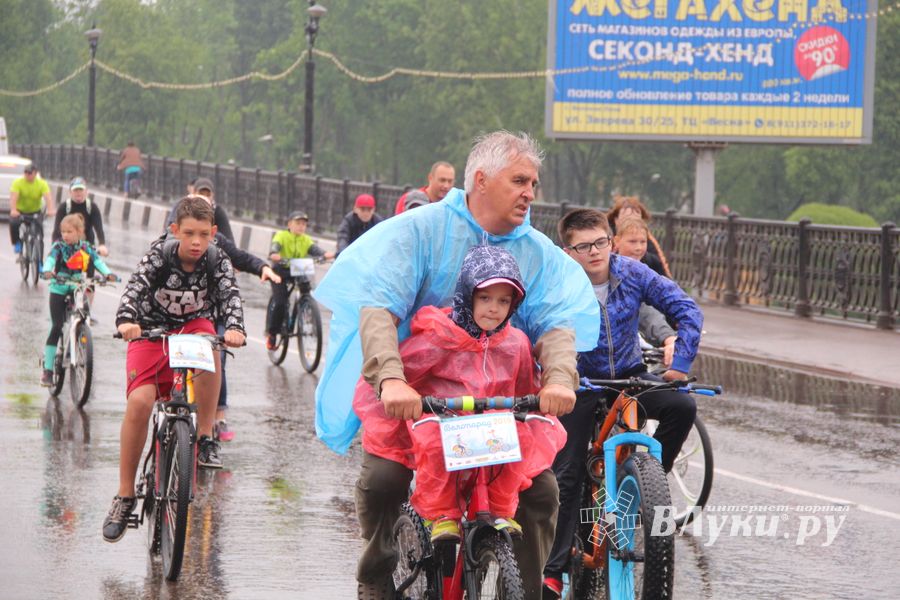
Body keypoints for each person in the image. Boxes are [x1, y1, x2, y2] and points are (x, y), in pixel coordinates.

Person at [312, 131, 599, 599]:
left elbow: (555, 325)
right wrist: (390, 379)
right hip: (417, 396)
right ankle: (376, 575)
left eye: (534, 182)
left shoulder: (537, 252)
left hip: (495, 400)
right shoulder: (421, 231)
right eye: (520, 180)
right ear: (481, 180)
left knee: (541, 492)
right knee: (385, 479)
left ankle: (520, 590)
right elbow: (379, 309)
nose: (531, 192)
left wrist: (561, 378)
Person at [353, 245, 567, 545]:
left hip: (491, 424)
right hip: (442, 420)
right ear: (467, 295)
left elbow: (524, 386)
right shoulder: (437, 336)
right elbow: (407, 373)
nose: (494, 308)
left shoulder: (516, 343)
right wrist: (401, 391)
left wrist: (547, 393)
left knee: (520, 439)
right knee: (429, 447)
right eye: (485, 298)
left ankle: (502, 510)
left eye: (504, 301)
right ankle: (441, 515)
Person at [541, 208, 703, 598]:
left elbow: (686, 308)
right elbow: (535, 328)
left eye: (600, 242)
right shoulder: (557, 281)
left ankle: (644, 491)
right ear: (568, 251)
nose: (595, 252)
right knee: (568, 473)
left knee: (682, 407)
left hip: (627, 376)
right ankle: (553, 569)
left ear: (610, 242)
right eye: (584, 246)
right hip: (577, 382)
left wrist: (679, 362)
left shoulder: (631, 272)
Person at [102, 196, 246, 543]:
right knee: (140, 403)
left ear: (213, 233)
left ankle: (206, 435)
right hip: (150, 330)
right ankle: (124, 496)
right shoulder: (159, 255)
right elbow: (134, 288)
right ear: (174, 231)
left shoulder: (217, 259)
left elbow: (230, 297)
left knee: (213, 343)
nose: (196, 243)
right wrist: (126, 321)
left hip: (193, 327)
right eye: (189, 234)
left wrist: (236, 329)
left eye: (203, 235)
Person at [40, 214, 117, 386]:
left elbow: (97, 261)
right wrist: (46, 271)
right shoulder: (58, 246)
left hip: (77, 287)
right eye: (63, 231)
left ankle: (80, 336)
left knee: (83, 315)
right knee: (57, 325)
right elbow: (50, 260)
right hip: (58, 287)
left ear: (80, 232)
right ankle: (48, 369)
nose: (65, 235)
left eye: (69, 231)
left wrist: (108, 274)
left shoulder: (85, 247)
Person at [265, 210, 335, 349]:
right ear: (289, 224)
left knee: (306, 290)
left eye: (304, 224)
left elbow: (318, 251)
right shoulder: (281, 236)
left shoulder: (306, 239)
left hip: (297, 269)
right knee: (280, 302)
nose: (301, 226)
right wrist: (275, 254)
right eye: (298, 223)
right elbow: (275, 249)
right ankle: (272, 334)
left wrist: (330, 255)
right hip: (280, 271)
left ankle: (306, 311)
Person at [614, 216, 678, 364]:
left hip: (646, 337)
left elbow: (666, 295)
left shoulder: (649, 265)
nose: (638, 247)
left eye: (642, 242)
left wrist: (671, 333)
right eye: (632, 242)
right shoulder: (608, 269)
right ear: (616, 241)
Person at [606, 195, 671, 278]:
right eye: (627, 218)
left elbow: (662, 267)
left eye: (637, 219)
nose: (632, 223)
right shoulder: (604, 235)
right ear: (616, 219)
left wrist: (641, 258)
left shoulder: (646, 237)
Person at [164, 177, 235, 242]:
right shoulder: (182, 205)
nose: (204, 197)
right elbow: (169, 232)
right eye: (201, 193)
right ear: (194, 193)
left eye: (208, 195)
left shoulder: (217, 211)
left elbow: (229, 241)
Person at [52, 177, 108, 256]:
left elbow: (99, 228)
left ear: (86, 192)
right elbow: (57, 229)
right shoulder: (63, 207)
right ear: (70, 192)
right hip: (67, 243)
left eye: (81, 190)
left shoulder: (92, 207)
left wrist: (102, 244)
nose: (78, 193)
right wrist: (55, 246)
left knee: (93, 264)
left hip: (87, 243)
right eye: (75, 190)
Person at [9, 163, 55, 257]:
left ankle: (40, 263)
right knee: (14, 223)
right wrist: (13, 210)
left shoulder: (41, 183)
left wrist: (50, 210)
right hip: (20, 211)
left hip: (35, 211)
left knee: (40, 234)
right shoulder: (18, 183)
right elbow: (14, 197)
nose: (28, 175)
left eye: (30, 173)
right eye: (26, 172)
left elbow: (48, 197)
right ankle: (17, 242)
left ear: (35, 173)